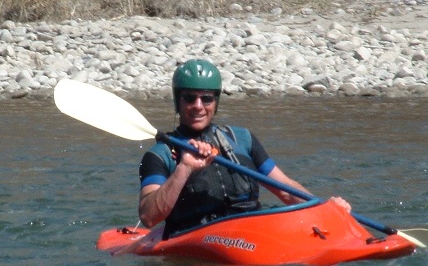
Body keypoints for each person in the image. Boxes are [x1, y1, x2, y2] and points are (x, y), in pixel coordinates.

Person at [138, 59, 351, 238]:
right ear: (178, 101)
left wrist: (324, 209)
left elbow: (285, 189)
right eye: (189, 98)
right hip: (195, 235)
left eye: (207, 98)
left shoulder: (242, 138)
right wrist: (184, 168)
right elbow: (148, 217)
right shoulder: (160, 154)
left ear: (216, 102)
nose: (198, 105)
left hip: (251, 230)